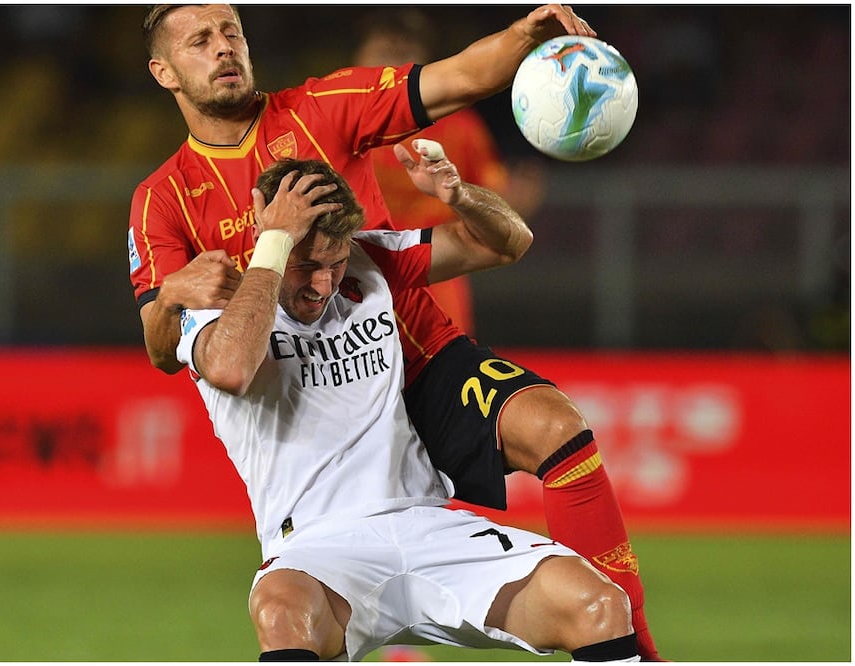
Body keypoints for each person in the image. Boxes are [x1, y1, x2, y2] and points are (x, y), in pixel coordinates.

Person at [128, 5, 662, 659]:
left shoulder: (323, 111)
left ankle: (633, 644)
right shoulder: (163, 199)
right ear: (164, 71)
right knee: (302, 598)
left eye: (232, 32)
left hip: (414, 351)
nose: (223, 48)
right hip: (307, 397)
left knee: (557, 428)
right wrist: (173, 297)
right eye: (200, 40)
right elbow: (165, 345)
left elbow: (461, 78)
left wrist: (525, 35)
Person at [175, 154, 638, 662]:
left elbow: (506, 241)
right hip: (317, 548)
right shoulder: (217, 306)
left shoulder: (371, 261)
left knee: (598, 604)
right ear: (267, 237)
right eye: (306, 266)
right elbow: (232, 369)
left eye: (335, 264)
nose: (324, 285)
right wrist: (275, 244)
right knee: (281, 612)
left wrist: (460, 196)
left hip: (428, 525)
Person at [353, 7, 548, 337]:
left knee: (442, 367)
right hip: (356, 281)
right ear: (358, 57)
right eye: (384, 52)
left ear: (424, 62)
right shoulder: (338, 123)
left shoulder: (460, 127)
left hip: (435, 284)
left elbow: (492, 203)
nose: (392, 66)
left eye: (404, 54)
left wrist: (513, 205)